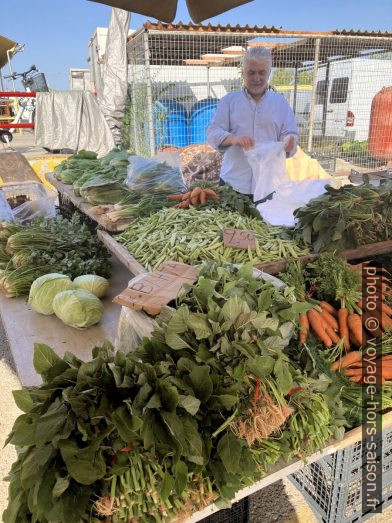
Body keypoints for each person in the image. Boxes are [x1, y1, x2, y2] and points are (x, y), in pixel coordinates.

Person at [206, 46, 298, 198]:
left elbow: (290, 134)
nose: (257, 78)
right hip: (234, 182)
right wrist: (234, 139)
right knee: (229, 222)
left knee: (266, 222)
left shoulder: (280, 103)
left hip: (269, 185)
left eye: (262, 72)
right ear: (243, 74)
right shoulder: (229, 101)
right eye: (251, 72)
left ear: (269, 73)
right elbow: (212, 131)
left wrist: (289, 142)